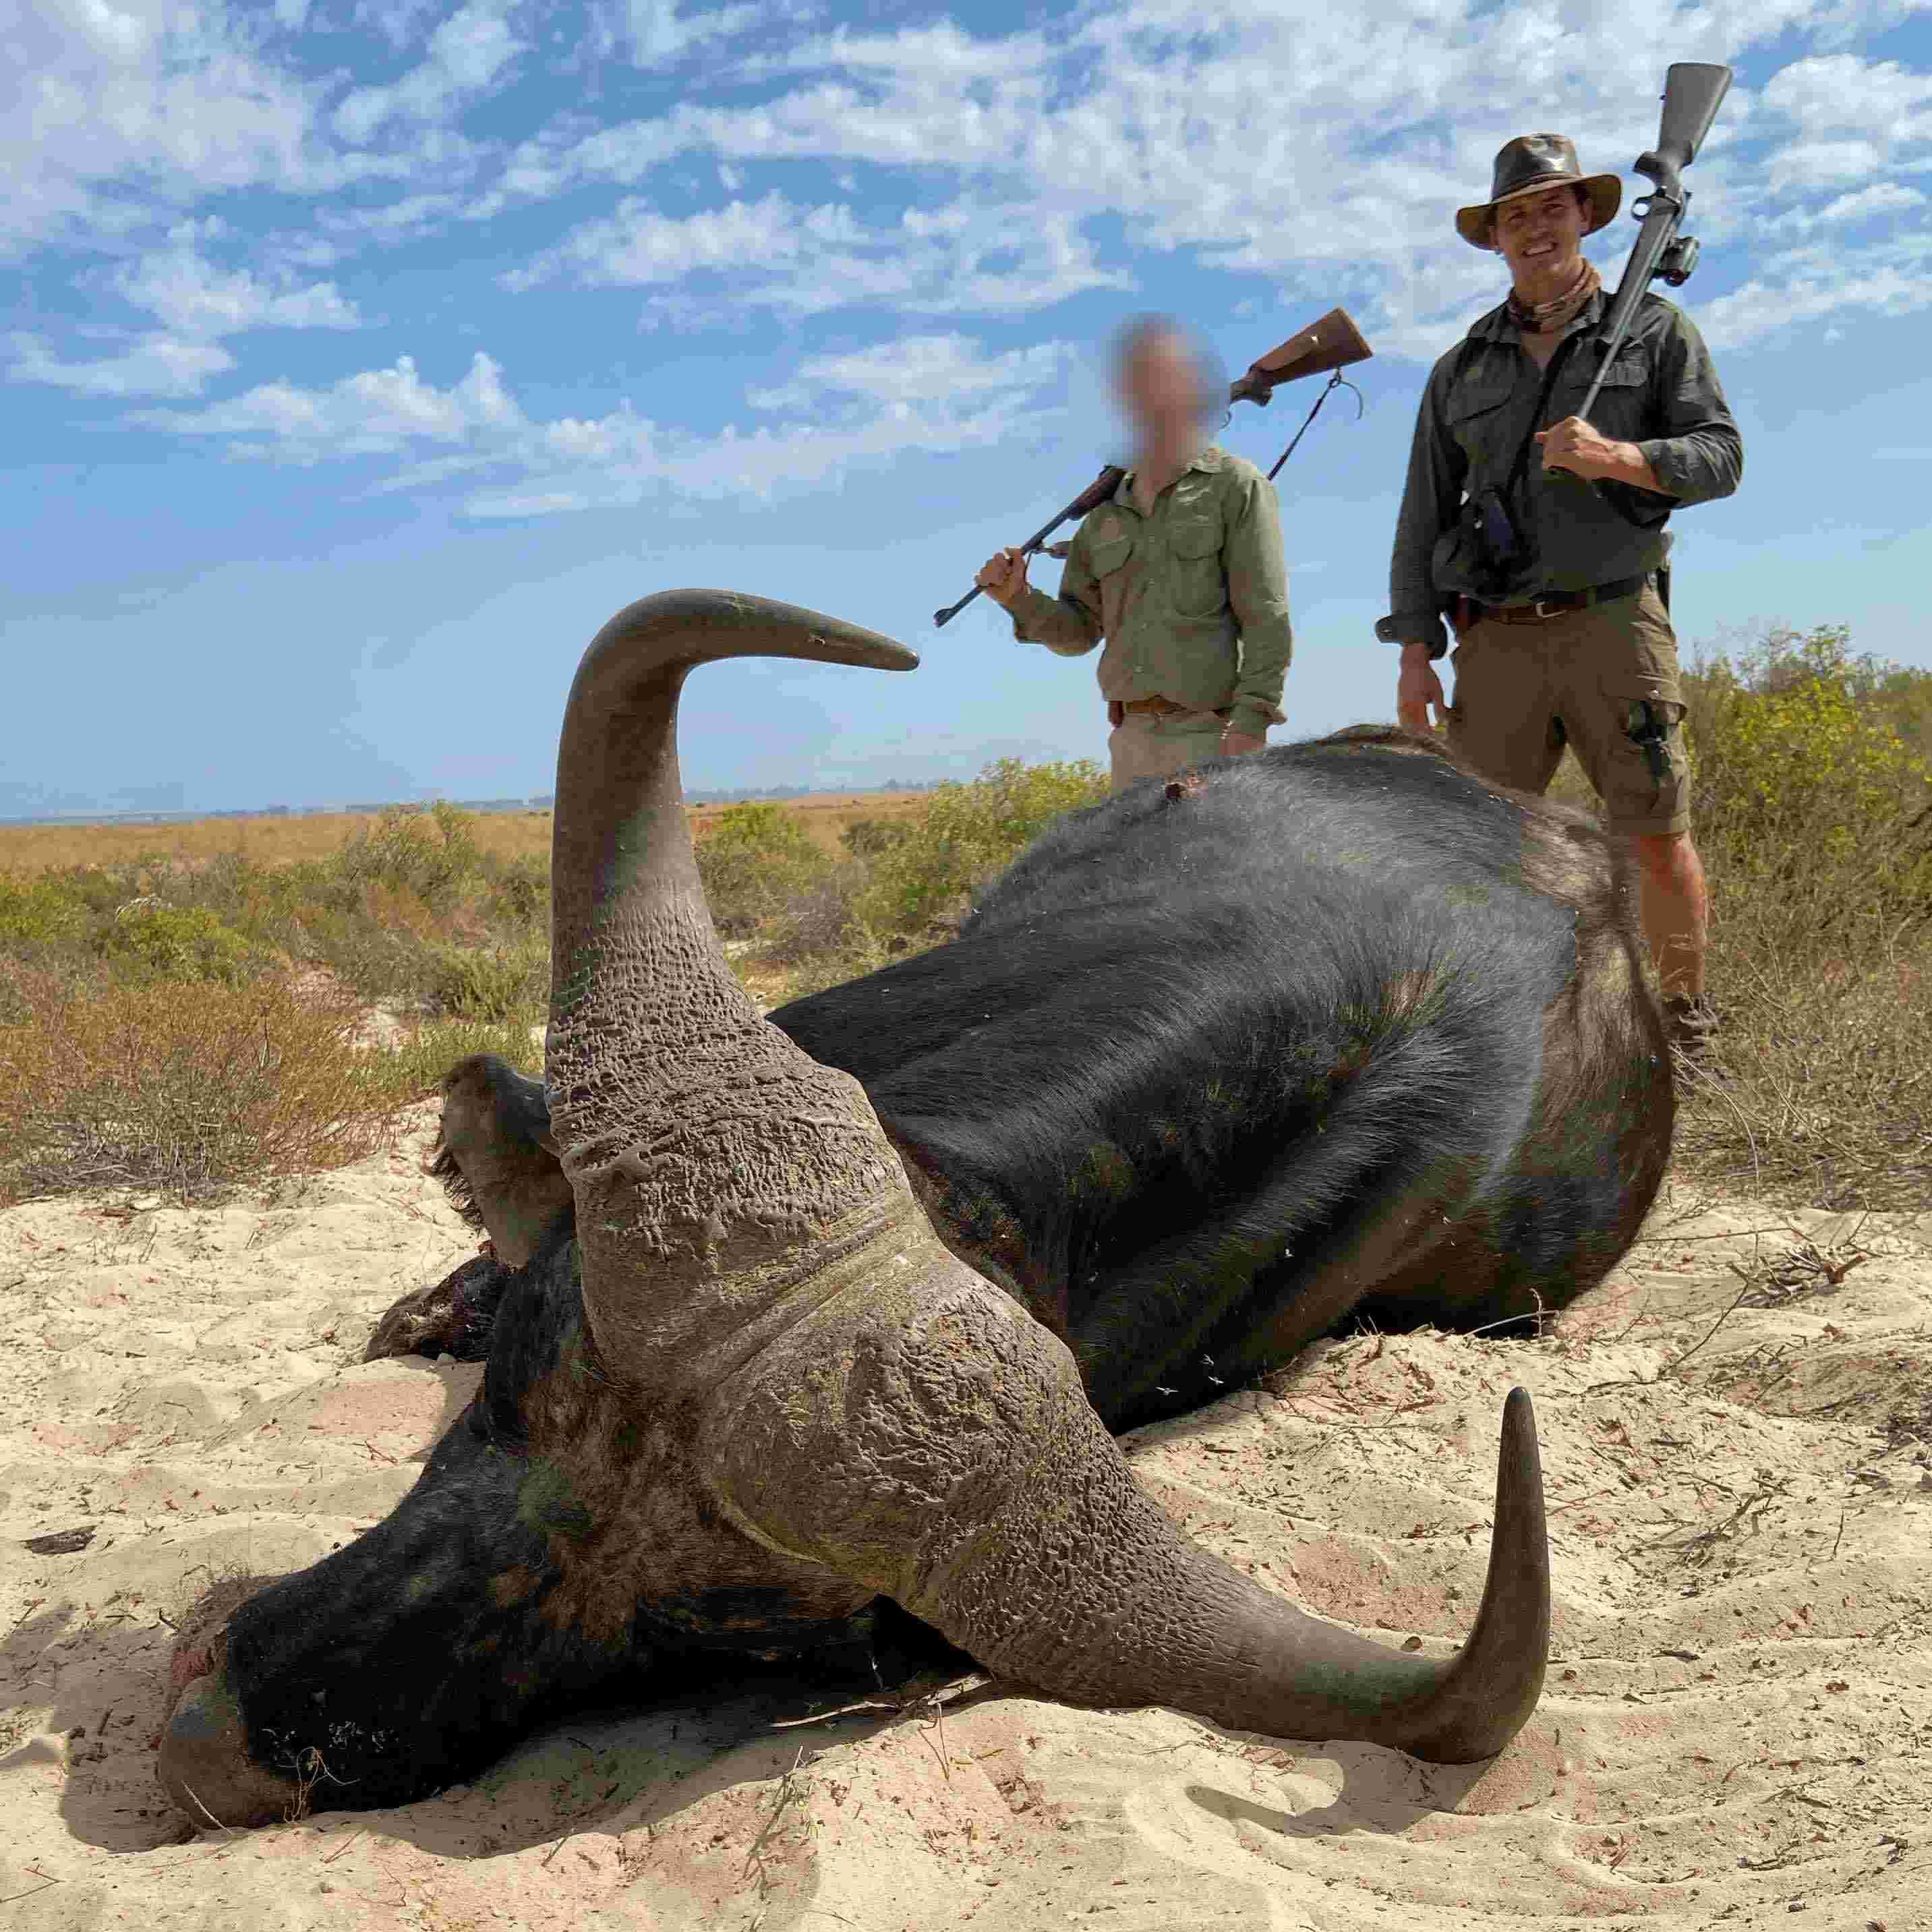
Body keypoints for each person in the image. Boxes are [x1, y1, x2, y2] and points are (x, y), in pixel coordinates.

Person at [1378, 134, 1743, 1056]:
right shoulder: (1460, 368)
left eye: (1552, 207)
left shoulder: (1655, 330)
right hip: (1495, 641)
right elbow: (1421, 514)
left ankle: (1684, 1030)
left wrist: (1622, 458)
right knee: (1481, 847)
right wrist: (1417, 651)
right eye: (1515, 215)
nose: (1534, 227)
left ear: (1586, 217)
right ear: (1493, 237)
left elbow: (1721, 456)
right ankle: (1498, 1034)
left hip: (1616, 621)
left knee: (1654, 832)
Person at [974, 316, 1293, 793]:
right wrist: (1017, 597)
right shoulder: (1103, 516)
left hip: (1213, 736)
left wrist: (1250, 724)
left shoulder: (1236, 487)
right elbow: (1078, 633)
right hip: (1130, 741)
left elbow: (1266, 616)